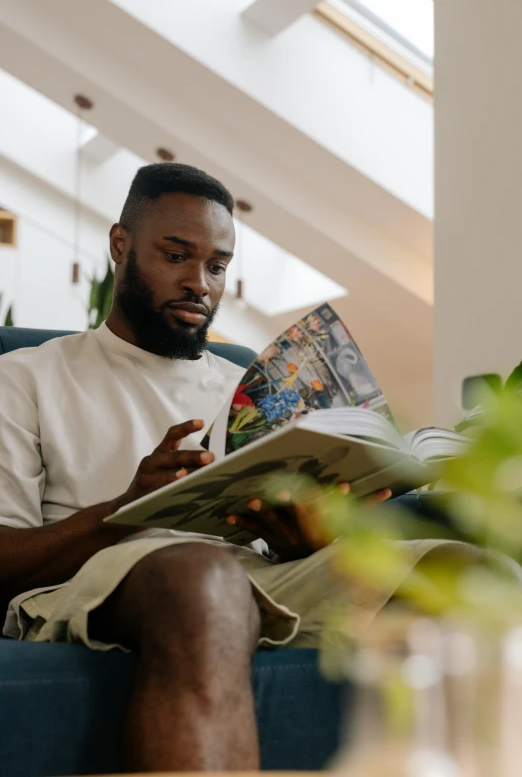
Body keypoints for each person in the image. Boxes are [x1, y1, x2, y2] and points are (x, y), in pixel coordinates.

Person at [0, 163, 464, 772]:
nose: (200, 283)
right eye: (176, 256)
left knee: (467, 573)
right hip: (94, 586)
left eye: (217, 266)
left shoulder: (250, 387)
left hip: (252, 577)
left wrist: (308, 539)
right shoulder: (27, 376)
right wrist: (125, 512)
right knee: (204, 575)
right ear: (121, 245)